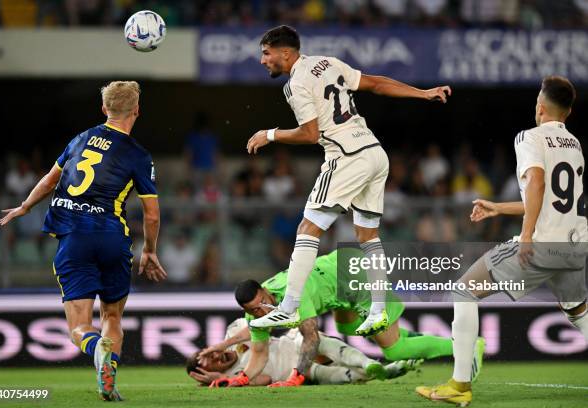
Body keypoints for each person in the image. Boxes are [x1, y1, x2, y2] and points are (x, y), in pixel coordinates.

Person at [246, 25, 451, 337]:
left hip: (346, 157)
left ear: (285, 53)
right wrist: (422, 93)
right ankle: (379, 311)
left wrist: (269, 134)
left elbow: (310, 134)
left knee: (308, 228)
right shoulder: (329, 63)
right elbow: (377, 84)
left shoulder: (296, 84)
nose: (263, 60)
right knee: (367, 235)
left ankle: (287, 309)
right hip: (374, 152)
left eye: (266, 53)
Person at [417, 76, 588, 406]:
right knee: (578, 310)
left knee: (464, 290)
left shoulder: (529, 137)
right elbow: (550, 199)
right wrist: (498, 207)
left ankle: (459, 385)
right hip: (574, 244)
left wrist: (526, 236)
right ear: (567, 112)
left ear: (540, 107)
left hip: (540, 243)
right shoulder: (575, 145)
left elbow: (536, 182)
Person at [0, 81, 167, 401]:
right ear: (137, 111)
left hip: (75, 240)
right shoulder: (139, 155)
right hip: (113, 240)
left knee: (79, 328)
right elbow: (152, 215)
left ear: (104, 109)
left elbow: (51, 180)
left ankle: (94, 349)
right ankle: (109, 373)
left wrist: (25, 206)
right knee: (112, 318)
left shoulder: (80, 139)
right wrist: (150, 251)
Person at [199, 250, 483, 387]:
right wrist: (242, 378)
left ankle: (469, 346)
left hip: (356, 276)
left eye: (260, 305)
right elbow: (259, 352)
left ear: (264, 290)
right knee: (349, 326)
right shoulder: (255, 316)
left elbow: (311, 337)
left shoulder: (293, 293)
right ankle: (428, 342)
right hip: (340, 282)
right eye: (252, 311)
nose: (259, 312)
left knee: (393, 349)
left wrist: (296, 377)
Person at [188, 318, 422, 386]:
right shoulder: (237, 375)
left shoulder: (233, 333)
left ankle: (368, 362)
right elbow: (266, 379)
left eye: (211, 354)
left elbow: (257, 328)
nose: (218, 357)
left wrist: (222, 344)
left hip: (296, 343)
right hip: (300, 372)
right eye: (213, 364)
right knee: (340, 376)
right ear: (213, 372)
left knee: (319, 342)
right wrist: (224, 380)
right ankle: (388, 370)